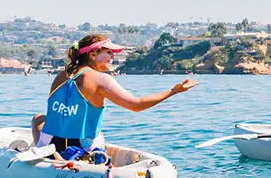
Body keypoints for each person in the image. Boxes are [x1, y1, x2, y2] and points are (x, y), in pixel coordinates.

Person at [30, 34, 198, 156]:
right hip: (81, 149)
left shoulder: (63, 74)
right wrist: (173, 91)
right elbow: (136, 105)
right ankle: (91, 156)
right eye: (109, 52)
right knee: (98, 134)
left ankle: (38, 150)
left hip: (50, 145)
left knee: (39, 118)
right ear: (92, 54)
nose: (113, 56)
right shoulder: (101, 79)